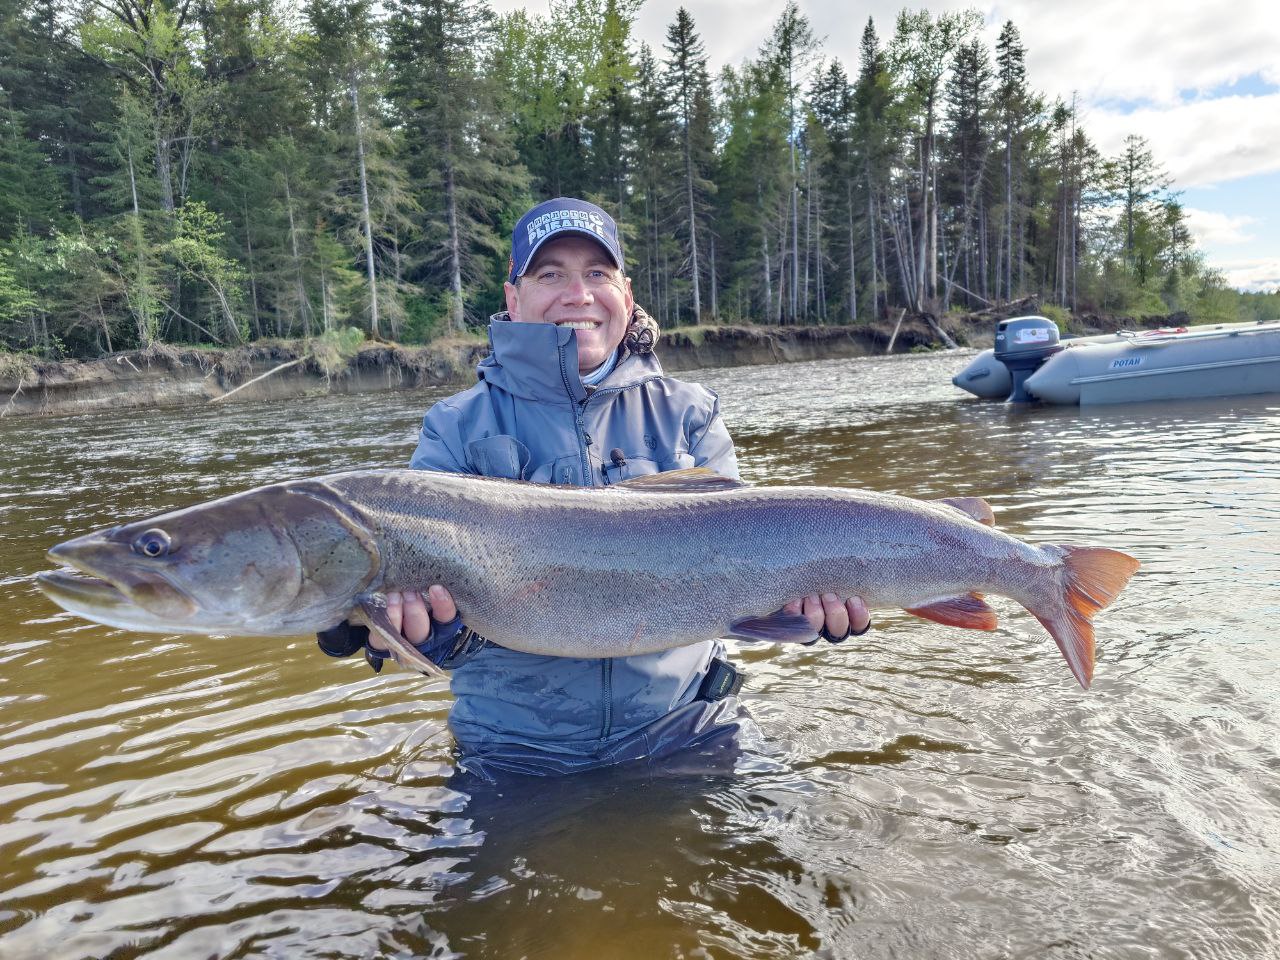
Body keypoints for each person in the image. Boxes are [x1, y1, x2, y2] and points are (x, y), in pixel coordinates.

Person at [319, 197, 870, 778]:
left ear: (626, 297)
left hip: (689, 730)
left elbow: (757, 567)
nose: (577, 294)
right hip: (517, 751)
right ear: (514, 298)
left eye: (597, 274)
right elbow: (423, 617)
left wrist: (809, 614)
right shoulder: (454, 428)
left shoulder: (690, 414)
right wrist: (422, 636)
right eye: (550, 274)